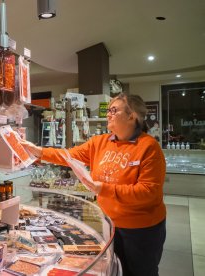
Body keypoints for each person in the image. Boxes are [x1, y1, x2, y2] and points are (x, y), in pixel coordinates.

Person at [22, 93, 166, 276]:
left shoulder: (149, 147)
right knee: (114, 269)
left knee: (140, 272)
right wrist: (40, 152)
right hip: (110, 224)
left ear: (132, 116)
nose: (109, 114)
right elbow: (68, 155)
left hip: (142, 229)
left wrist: (102, 189)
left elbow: (149, 192)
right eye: (109, 111)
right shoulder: (100, 142)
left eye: (114, 110)